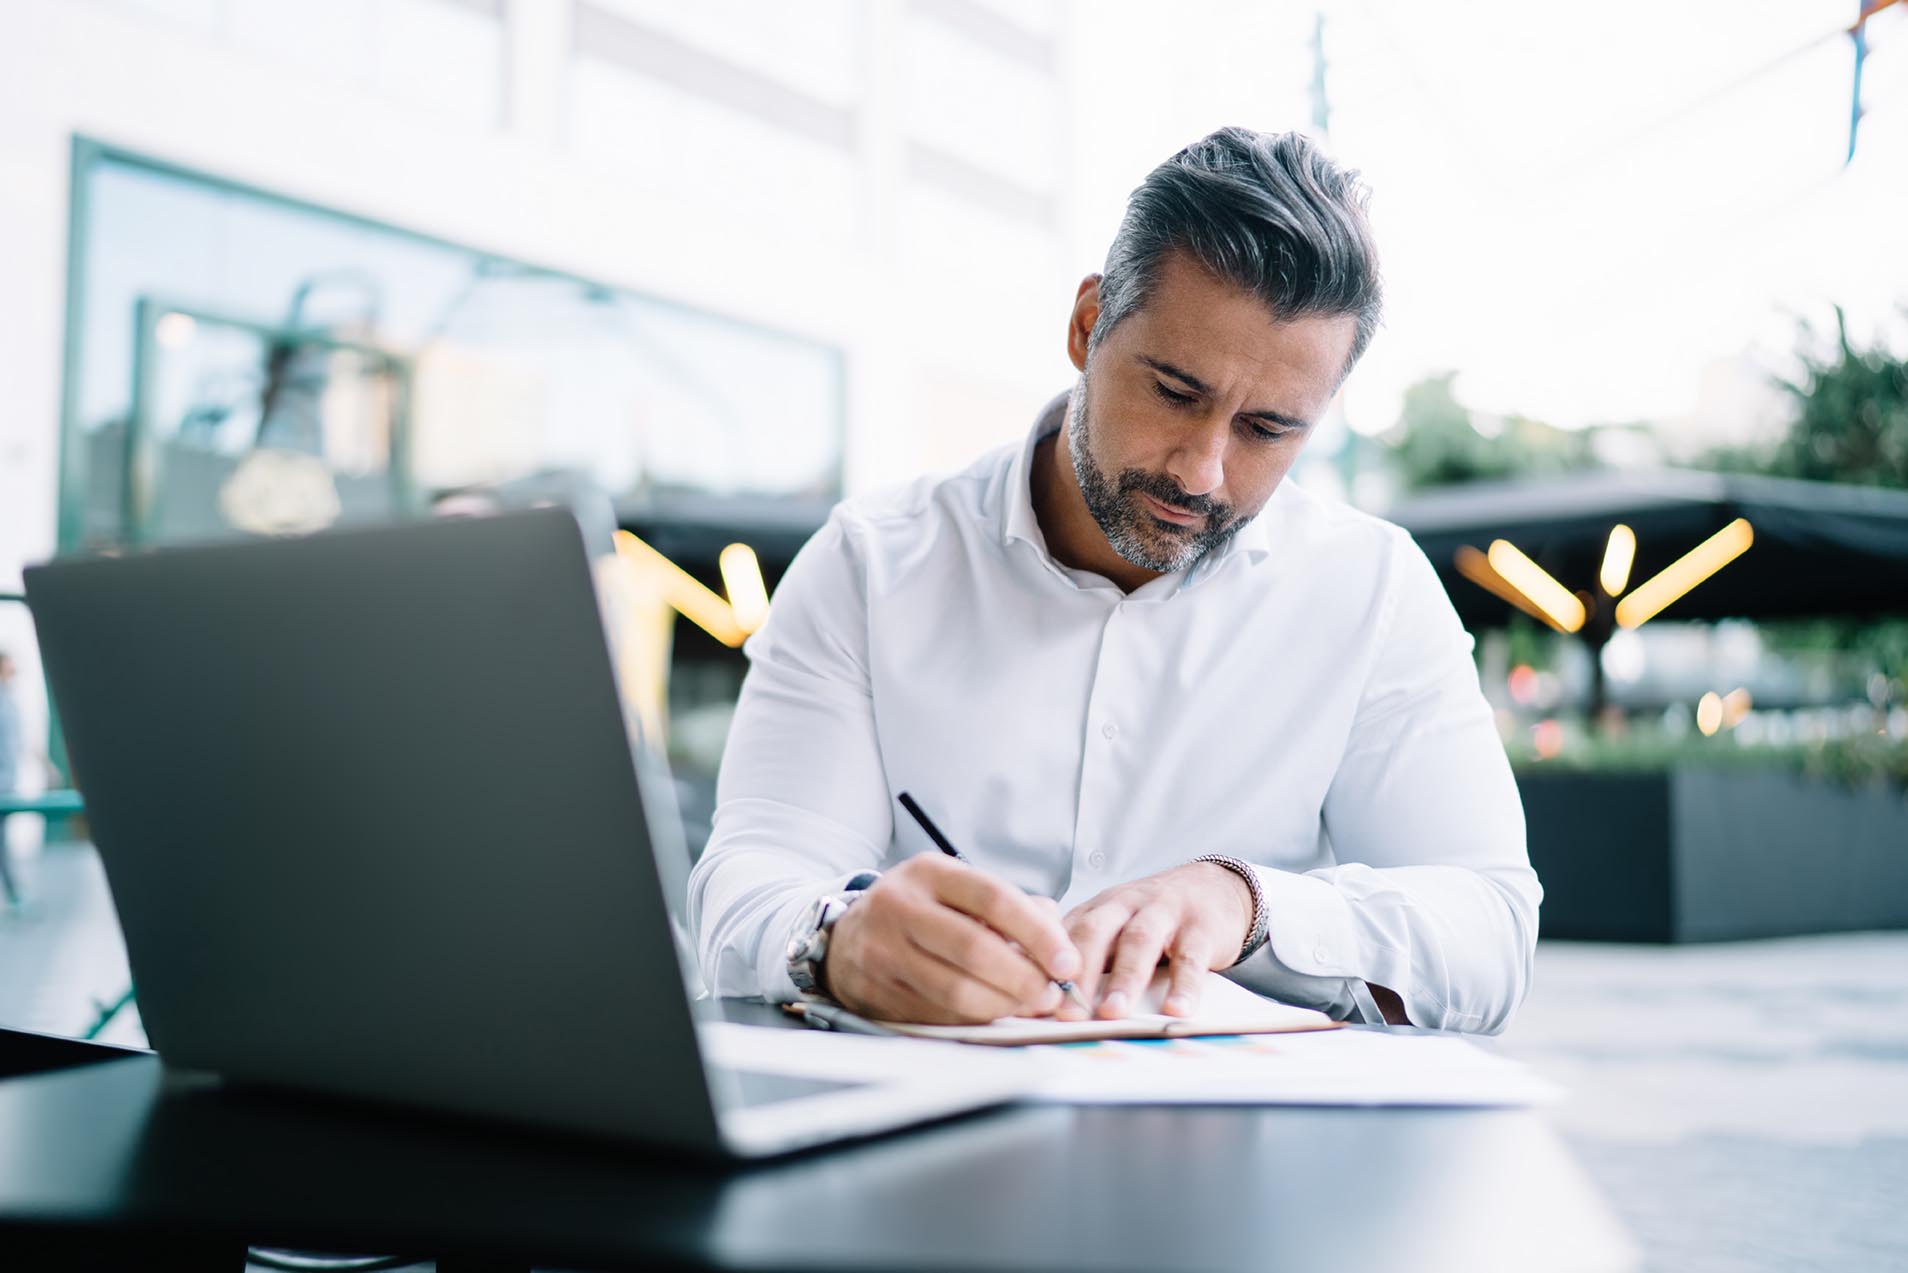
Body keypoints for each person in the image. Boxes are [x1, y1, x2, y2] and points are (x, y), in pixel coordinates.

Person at [687, 128, 1539, 1033]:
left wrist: (1249, 906)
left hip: (1243, 1151)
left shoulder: (1373, 591)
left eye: (1268, 429)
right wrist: (834, 938)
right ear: (1088, 326)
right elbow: (749, 883)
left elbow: (1488, 933)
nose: (1203, 470)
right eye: (1175, 392)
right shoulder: (869, 563)